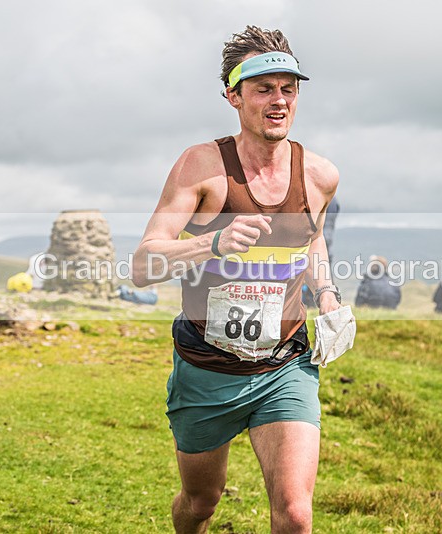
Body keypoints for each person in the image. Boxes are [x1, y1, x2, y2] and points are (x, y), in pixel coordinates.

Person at [132, 26, 340, 534]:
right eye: (263, 88)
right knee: (200, 502)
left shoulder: (320, 175)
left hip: (284, 363)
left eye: (288, 89)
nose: (279, 100)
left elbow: (311, 239)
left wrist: (328, 296)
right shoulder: (201, 166)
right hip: (208, 367)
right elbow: (142, 266)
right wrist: (212, 243)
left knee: (295, 514)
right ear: (234, 96)